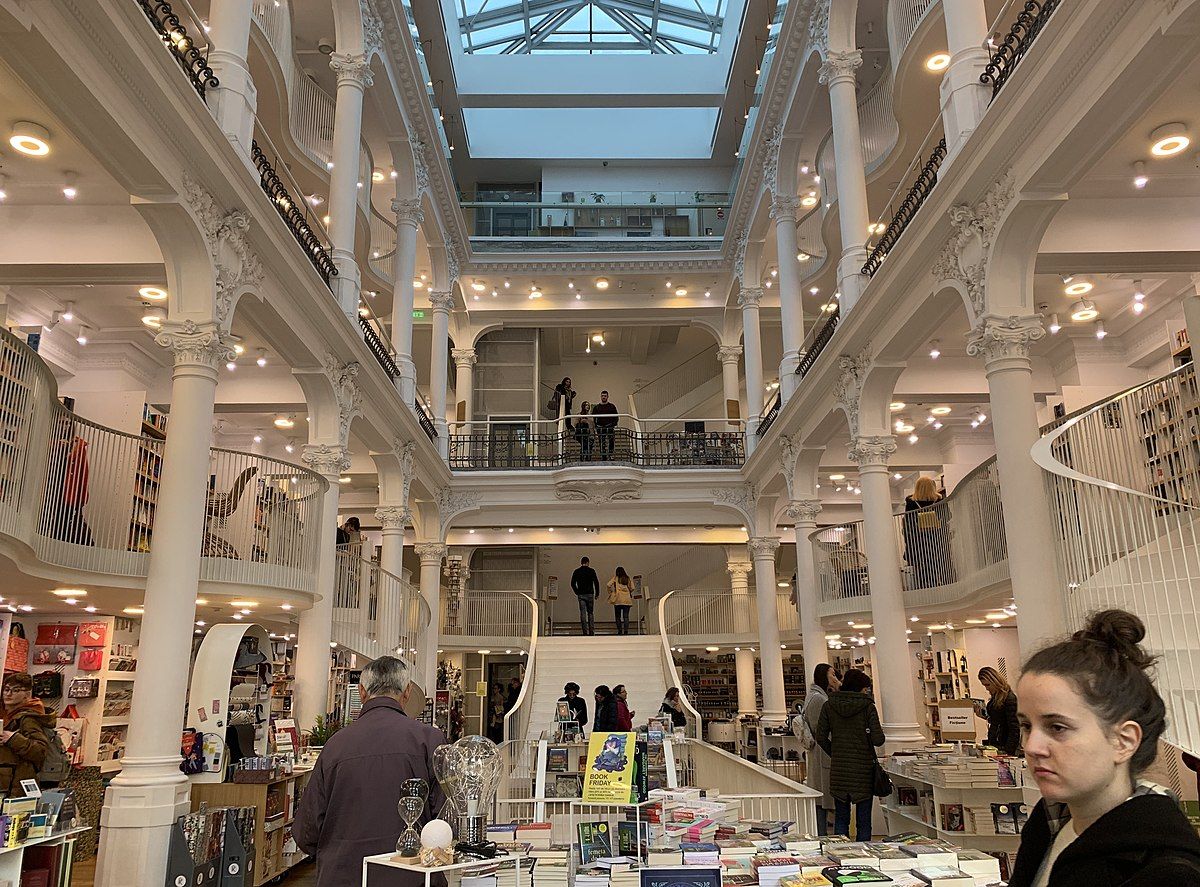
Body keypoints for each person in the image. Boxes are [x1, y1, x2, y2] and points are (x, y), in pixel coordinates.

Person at [1009, 610, 1200, 886]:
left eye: (1057, 728)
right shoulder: (1048, 824)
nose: (1031, 746)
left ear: (1124, 741)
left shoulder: (1168, 872)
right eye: (1027, 726)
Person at [295, 656, 446, 887]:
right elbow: (444, 821)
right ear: (406, 693)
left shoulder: (335, 745)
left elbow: (308, 831)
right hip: (413, 875)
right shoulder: (429, 740)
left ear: (362, 692)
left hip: (343, 875)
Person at [816, 668, 884, 841]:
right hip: (863, 771)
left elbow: (821, 737)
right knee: (863, 821)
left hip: (840, 770)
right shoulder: (868, 707)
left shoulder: (829, 705)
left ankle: (841, 856)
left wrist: (835, 752)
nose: (866, 691)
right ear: (860, 688)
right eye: (865, 688)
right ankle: (866, 858)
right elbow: (878, 739)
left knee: (841, 819)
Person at [802, 663, 841, 836]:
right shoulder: (818, 698)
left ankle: (823, 834)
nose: (836, 678)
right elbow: (822, 728)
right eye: (832, 674)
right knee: (823, 798)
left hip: (820, 753)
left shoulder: (816, 695)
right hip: (823, 753)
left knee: (822, 798)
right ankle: (823, 836)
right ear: (823, 676)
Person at [0, 672, 52, 797]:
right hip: (7, 783)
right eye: (6, 689)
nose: (8, 694)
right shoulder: (8, 715)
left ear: (27, 694)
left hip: (16, 787)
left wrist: (13, 739)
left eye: (16, 690)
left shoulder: (28, 718)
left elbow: (40, 750)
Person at [902, 476, 954, 588]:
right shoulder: (940, 500)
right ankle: (945, 585)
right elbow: (947, 516)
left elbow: (908, 521)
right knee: (939, 565)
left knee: (923, 568)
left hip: (919, 542)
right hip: (937, 540)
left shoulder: (911, 502)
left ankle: (927, 588)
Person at [978, 665, 1020, 755]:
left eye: (987, 685)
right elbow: (997, 719)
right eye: (984, 685)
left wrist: (1008, 752)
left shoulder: (1009, 698)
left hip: (1003, 744)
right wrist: (983, 716)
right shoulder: (996, 697)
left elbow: (1014, 728)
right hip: (996, 743)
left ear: (995, 682)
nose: (986, 688)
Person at [571, 556, 601, 635]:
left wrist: (577, 592)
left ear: (581, 563)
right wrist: (597, 593)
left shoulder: (577, 571)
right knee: (590, 613)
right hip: (590, 594)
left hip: (581, 595)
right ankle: (592, 631)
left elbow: (572, 583)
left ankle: (585, 632)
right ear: (588, 562)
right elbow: (596, 582)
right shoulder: (591, 571)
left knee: (582, 613)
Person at [591, 390, 619, 460]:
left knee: (611, 441)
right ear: (600, 397)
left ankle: (611, 455)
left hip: (610, 426)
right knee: (601, 442)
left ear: (607, 397)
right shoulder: (597, 407)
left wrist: (613, 424)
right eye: (602, 396)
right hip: (600, 427)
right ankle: (603, 456)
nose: (604, 397)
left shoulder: (612, 406)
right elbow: (594, 418)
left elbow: (616, 416)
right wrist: (596, 426)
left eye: (605, 396)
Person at [607, 566, 635, 635]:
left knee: (618, 617)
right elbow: (633, 588)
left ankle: (619, 631)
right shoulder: (628, 578)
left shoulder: (616, 578)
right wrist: (629, 592)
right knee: (626, 617)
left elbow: (608, 585)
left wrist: (611, 592)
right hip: (627, 600)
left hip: (618, 600)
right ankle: (626, 631)